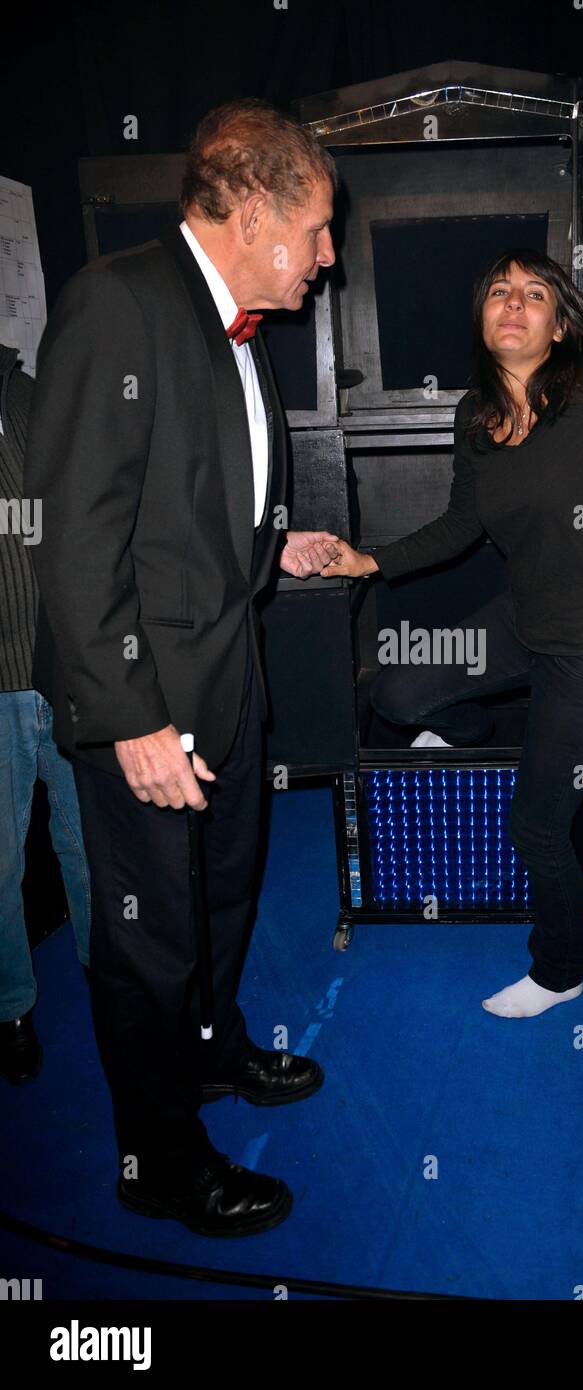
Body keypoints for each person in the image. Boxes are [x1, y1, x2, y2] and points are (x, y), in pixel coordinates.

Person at [25, 99, 342, 1235]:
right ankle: (159, 1160)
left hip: (228, 678)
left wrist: (270, 545)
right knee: (150, 940)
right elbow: (76, 537)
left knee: (221, 892)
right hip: (150, 704)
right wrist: (131, 721)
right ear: (252, 211)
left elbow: (193, 501)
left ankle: (209, 1054)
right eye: (315, 231)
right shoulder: (119, 303)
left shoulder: (225, 323)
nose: (328, 254)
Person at [318, 248, 583, 1017]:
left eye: (534, 294)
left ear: (560, 322)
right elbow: (463, 522)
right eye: (499, 290)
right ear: (481, 316)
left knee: (537, 825)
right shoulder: (475, 413)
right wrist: (368, 559)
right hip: (520, 619)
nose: (513, 302)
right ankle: (478, 730)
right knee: (400, 694)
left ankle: (560, 968)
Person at [0, 340, 90, 1084]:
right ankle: (10, 1012)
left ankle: (111, 985)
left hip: (67, 670)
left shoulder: (34, 393)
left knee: (88, 846)